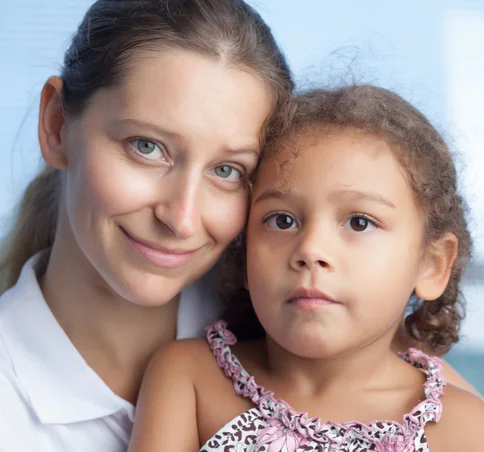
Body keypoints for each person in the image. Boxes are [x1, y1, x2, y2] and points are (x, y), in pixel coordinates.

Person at [129, 85, 484, 451]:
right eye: (281, 220)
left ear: (432, 264)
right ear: (245, 254)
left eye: (359, 222)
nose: (310, 249)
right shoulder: (191, 378)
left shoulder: (459, 428)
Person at [0, 1, 293, 451]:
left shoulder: (297, 332)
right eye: (146, 146)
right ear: (57, 125)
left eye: (228, 171)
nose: (181, 219)